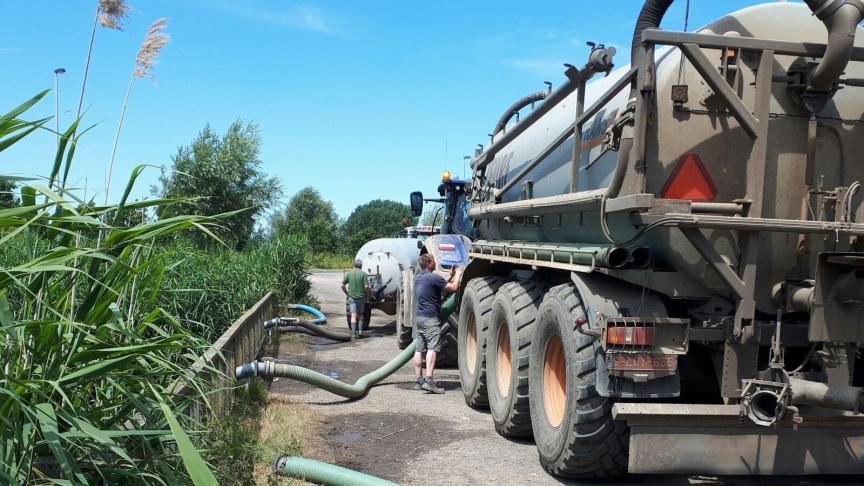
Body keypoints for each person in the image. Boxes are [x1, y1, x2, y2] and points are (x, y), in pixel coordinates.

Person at [413, 253, 463, 394]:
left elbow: (441, 285)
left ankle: (419, 381)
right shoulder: (434, 278)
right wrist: (459, 274)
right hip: (430, 319)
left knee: (419, 349)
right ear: (429, 263)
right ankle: (429, 381)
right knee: (432, 349)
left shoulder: (419, 278)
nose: (435, 263)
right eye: (434, 261)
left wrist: (452, 275)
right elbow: (453, 288)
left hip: (420, 318)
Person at [341, 259, 369, 339]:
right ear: (361, 266)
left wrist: (347, 293)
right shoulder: (363, 274)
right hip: (361, 298)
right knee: (360, 315)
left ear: (354, 265)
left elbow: (342, 285)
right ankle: (360, 333)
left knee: (353, 316)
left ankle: (353, 334)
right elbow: (366, 287)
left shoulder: (349, 273)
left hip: (352, 298)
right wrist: (367, 294)